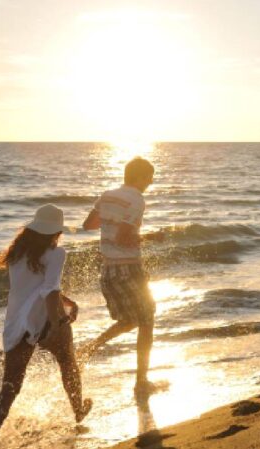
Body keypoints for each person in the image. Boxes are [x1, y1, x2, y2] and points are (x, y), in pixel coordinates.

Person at [0, 205, 91, 449]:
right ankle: (79, 410)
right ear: (56, 231)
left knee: (10, 387)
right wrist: (57, 324)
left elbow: (36, 288)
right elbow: (49, 290)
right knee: (68, 363)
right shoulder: (56, 253)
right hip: (44, 318)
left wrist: (67, 300)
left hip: (17, 322)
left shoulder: (16, 254)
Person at [80, 156, 157, 397]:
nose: (150, 182)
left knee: (130, 320)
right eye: (149, 177)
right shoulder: (136, 199)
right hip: (128, 268)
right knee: (147, 321)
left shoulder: (107, 194)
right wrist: (153, 237)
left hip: (108, 269)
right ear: (139, 177)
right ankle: (141, 382)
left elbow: (89, 224)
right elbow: (125, 237)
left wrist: (110, 219)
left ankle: (90, 347)